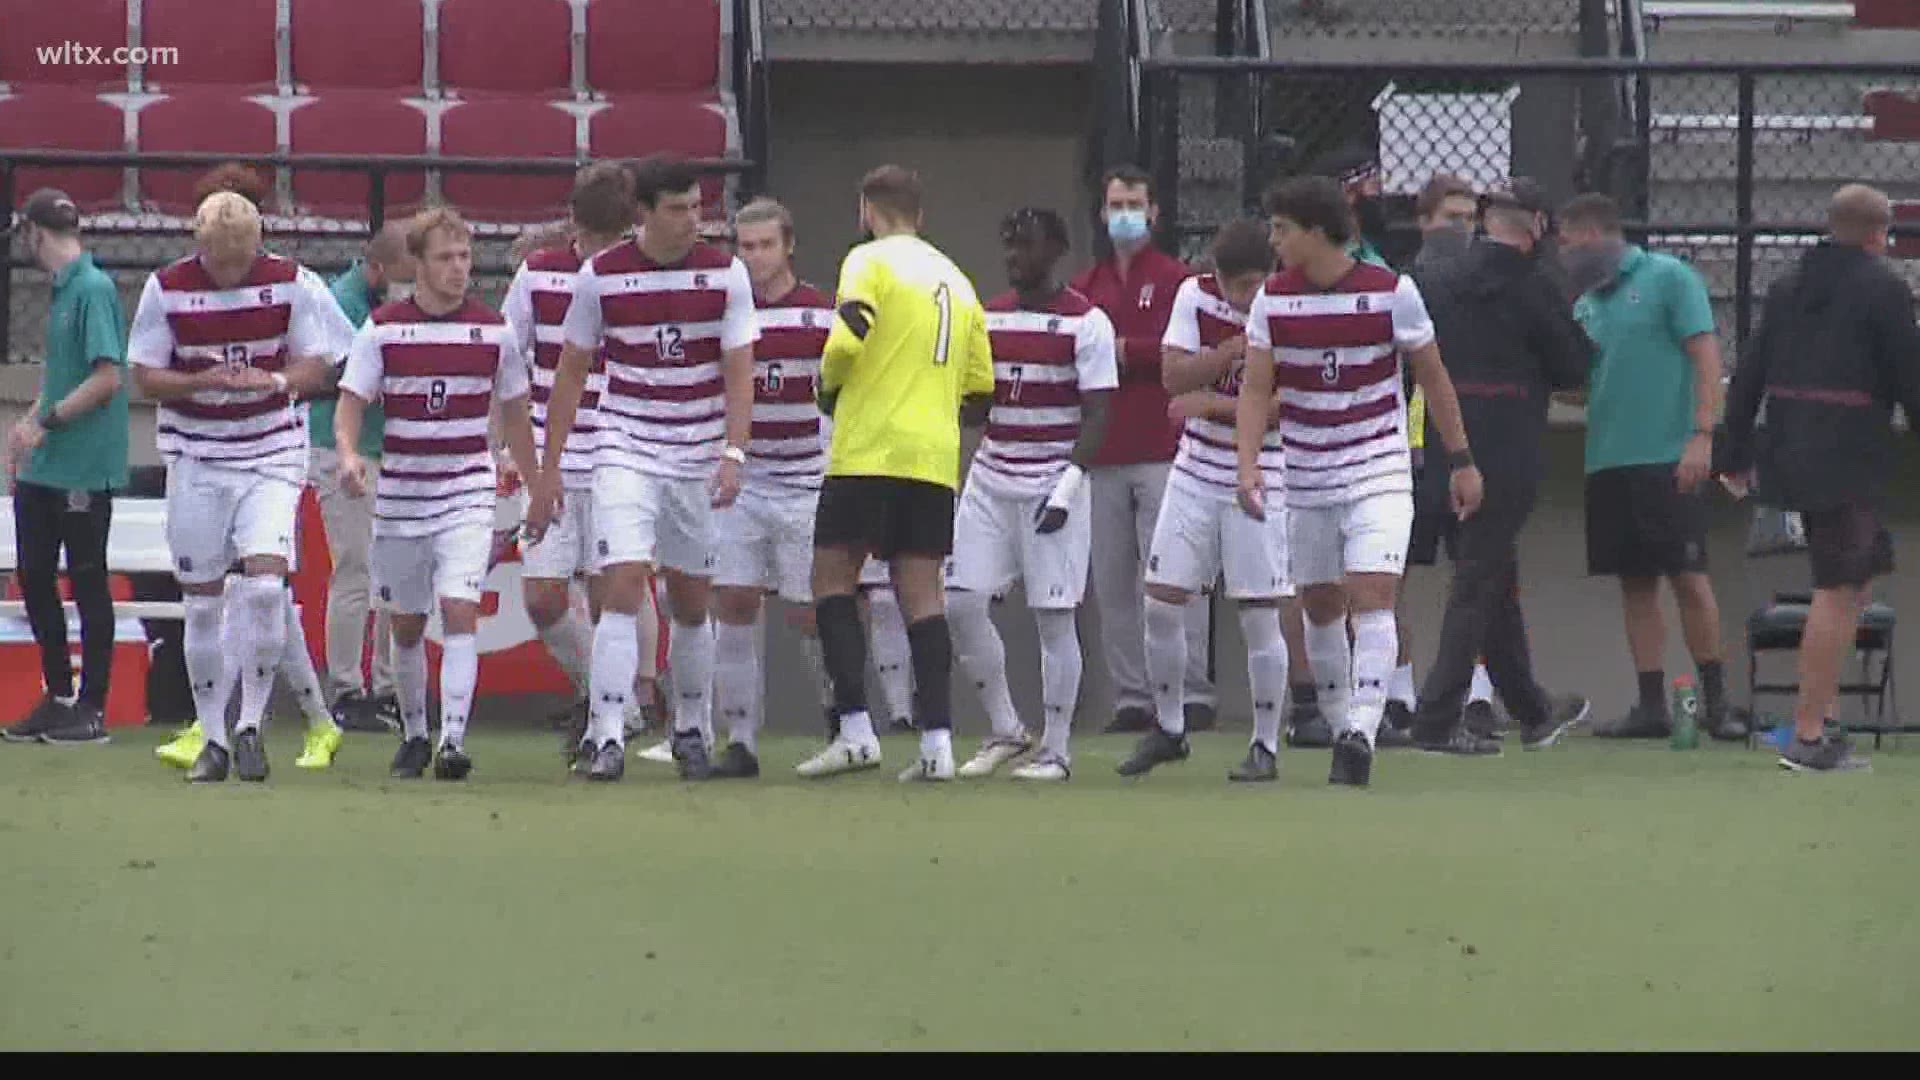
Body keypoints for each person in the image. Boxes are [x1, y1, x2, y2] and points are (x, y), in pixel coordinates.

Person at [1237, 175, 1483, 789]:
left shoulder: (1391, 292)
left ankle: (1361, 732)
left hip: (1377, 467)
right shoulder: (1272, 299)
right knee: (1321, 604)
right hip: (1307, 473)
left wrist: (1462, 460)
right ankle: (1340, 717)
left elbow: (1435, 377)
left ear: (1317, 233)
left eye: (1282, 229)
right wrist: (1248, 465)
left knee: (1372, 593)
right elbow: (1257, 386)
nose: (1274, 241)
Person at [532, 153, 759, 782]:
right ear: (642, 215)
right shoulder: (600, 276)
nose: (692, 221)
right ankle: (607, 734)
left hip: (696, 454)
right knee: (623, 583)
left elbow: (739, 372)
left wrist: (733, 452)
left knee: (690, 601)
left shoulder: (726, 274)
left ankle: (691, 725)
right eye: (678, 209)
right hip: (624, 446)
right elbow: (570, 374)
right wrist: (549, 469)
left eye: (697, 208)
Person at [126, 191, 346, 783]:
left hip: (271, 450)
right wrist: (198, 382)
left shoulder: (290, 281)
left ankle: (249, 725)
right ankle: (213, 738)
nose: (231, 270)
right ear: (200, 246)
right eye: (221, 260)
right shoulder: (165, 287)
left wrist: (270, 379)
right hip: (197, 456)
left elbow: (317, 363)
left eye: (241, 258)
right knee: (201, 600)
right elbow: (146, 375)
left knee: (266, 587)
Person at [794, 164, 995, 782]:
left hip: (869, 449)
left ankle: (855, 731)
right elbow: (981, 388)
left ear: (866, 210)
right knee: (923, 595)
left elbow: (850, 336)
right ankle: (937, 745)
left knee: (832, 579)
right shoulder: (958, 281)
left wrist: (826, 384)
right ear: (921, 215)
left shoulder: (869, 261)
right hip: (933, 460)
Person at [1719, 183, 1920, 773]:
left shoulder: (1788, 285)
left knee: (1852, 583)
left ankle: (1821, 723)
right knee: (1838, 589)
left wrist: (1731, 451)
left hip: (1787, 445)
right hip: (1847, 453)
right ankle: (1808, 737)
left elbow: (1749, 367)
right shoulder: (1884, 288)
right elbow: (1910, 375)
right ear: (1882, 234)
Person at [335, 207, 537, 780]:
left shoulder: (494, 331)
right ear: (417, 265)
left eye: (465, 257)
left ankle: (453, 740)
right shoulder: (384, 329)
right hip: (401, 494)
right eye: (445, 258)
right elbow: (350, 403)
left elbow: (517, 413)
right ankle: (416, 732)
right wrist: (349, 455)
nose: (457, 269)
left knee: (459, 608)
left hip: (465, 490)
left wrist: (538, 480)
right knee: (405, 622)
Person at [1405, 185, 1593, 753]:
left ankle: (1531, 708)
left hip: (1443, 439)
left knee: (1488, 575)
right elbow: (1574, 366)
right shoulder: (1533, 287)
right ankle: (1437, 717)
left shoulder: (1437, 282)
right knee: (1477, 579)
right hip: (1507, 444)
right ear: (1536, 224)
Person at [1559, 193, 1743, 742]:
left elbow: (1707, 355)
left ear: (1593, 233)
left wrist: (1703, 436)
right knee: (1635, 583)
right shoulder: (1585, 303)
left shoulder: (1669, 277)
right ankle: (1650, 705)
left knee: (1689, 576)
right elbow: (1586, 386)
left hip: (1668, 455)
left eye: (1568, 243)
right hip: (1608, 460)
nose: (1565, 255)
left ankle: (1717, 704)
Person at [1115, 218, 1293, 783]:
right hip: (1196, 467)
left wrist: (1211, 405)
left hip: (1263, 466)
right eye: (1237, 287)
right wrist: (1227, 355)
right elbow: (1172, 376)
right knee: (1162, 599)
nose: (1247, 299)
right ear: (1216, 276)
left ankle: (1265, 743)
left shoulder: (1288, 309)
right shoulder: (1193, 295)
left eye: (1255, 285)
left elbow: (1280, 406)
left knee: (1259, 610)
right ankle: (1170, 728)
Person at [947, 208, 1116, 782]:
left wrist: (1069, 484)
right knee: (962, 602)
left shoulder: (1086, 322)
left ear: (1057, 251)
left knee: (1053, 617)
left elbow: (1099, 413)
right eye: (1008, 244)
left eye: (1026, 245)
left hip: (1051, 483)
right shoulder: (986, 317)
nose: (1014, 256)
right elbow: (977, 406)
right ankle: (1004, 728)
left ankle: (1058, 749)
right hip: (991, 479)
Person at [1069, 165, 1214, 735]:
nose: (1125, 213)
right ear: (1102, 214)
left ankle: (1191, 692)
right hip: (1102, 452)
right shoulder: (1087, 286)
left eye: (1135, 202)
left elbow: (1185, 353)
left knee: (1175, 574)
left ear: (1154, 212)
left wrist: (1127, 352)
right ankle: (1133, 696)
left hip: (1164, 448)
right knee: (1112, 580)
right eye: (1115, 204)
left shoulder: (1180, 281)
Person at [704, 196, 838, 778]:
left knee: (810, 613)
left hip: (808, 480)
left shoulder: (822, 314)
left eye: (766, 245)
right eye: (746, 246)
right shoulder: (729, 316)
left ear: (789, 246)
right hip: (746, 479)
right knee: (733, 601)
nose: (755, 257)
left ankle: (841, 715)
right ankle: (741, 740)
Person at [501, 164, 633, 753]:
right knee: (543, 595)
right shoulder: (538, 274)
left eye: (616, 237)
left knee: (611, 595)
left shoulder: (640, 277)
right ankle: (604, 696)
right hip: (549, 454)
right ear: (574, 224)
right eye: (597, 237)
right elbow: (507, 362)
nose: (606, 250)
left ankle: (611, 717)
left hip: (620, 449)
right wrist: (508, 449)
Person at [2, 189, 129, 745]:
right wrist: (28, 426)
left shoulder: (93, 289)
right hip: (47, 465)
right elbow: (64, 375)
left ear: (34, 231)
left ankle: (92, 705)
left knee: (86, 580)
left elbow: (107, 379)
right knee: (34, 578)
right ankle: (58, 695)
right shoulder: (63, 292)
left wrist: (44, 423)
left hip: (82, 466)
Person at [1396, 173, 1500, 739]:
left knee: (1475, 574)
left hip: (1471, 447)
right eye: (1449, 218)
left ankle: (1476, 695)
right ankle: (1395, 695)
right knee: (1389, 576)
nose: (1460, 229)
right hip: (1411, 449)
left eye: (1468, 219)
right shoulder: (1401, 285)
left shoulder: (1489, 286)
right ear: (1423, 220)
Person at [312, 222, 414, 733]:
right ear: (378, 270)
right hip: (343, 446)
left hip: (393, 446)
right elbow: (362, 375)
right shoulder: (340, 303)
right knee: (354, 567)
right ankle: (348, 688)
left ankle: (392, 685)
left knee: (396, 571)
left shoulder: (380, 298)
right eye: (405, 277)